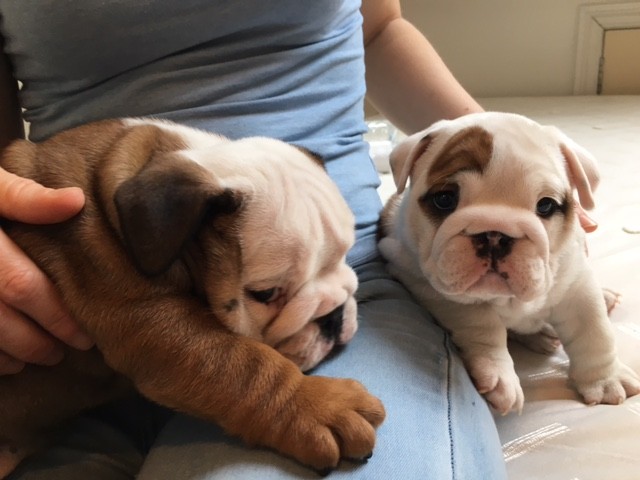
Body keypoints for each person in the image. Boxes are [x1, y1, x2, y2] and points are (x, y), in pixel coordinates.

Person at [0, 1, 594, 479]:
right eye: (269, 292)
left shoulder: (330, 273)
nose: (329, 307)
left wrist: (515, 176)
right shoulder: (111, 228)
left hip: (342, 241)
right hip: (58, 345)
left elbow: (380, 27)